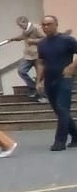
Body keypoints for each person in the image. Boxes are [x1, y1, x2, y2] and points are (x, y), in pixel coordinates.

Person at [34, 15, 77, 152]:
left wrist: (72, 66)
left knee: (62, 107)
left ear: (56, 24)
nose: (46, 27)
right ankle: (76, 136)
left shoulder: (67, 40)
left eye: (49, 24)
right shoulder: (42, 44)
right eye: (44, 24)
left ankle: (59, 141)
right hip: (49, 79)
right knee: (59, 110)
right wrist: (39, 80)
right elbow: (41, 62)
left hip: (65, 78)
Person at [10, 16, 45, 101]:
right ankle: (32, 87)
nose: (20, 27)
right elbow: (23, 36)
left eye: (20, 25)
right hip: (28, 55)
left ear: (25, 22)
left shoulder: (36, 28)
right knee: (21, 71)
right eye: (19, 25)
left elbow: (45, 38)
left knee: (40, 77)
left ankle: (42, 96)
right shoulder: (25, 30)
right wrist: (13, 39)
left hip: (38, 55)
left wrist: (33, 41)